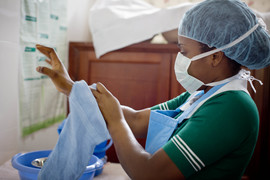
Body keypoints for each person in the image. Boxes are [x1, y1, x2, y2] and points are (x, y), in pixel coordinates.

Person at [36, 0, 270, 179]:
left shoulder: (231, 108)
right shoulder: (203, 93)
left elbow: (150, 174)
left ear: (215, 57)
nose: (180, 58)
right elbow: (137, 120)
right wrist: (71, 88)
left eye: (185, 51)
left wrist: (116, 122)